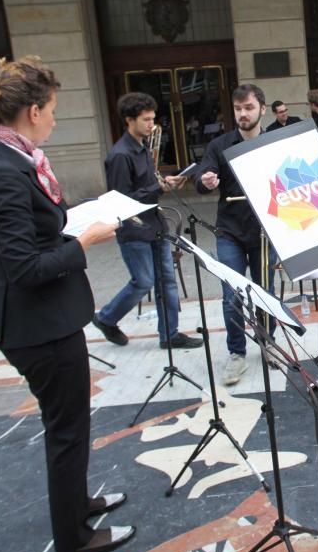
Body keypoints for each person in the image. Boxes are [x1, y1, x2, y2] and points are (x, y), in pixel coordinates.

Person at [0, 56, 134, 552]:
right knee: (67, 432)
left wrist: (72, 226)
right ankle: (75, 540)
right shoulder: (2, 172)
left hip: (48, 319)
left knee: (71, 424)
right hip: (37, 326)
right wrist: (84, 241)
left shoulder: (14, 159)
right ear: (33, 111)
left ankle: (78, 505)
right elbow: (24, 267)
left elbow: (36, 233)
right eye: (54, 110)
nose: (57, 120)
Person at [92, 92, 203, 350]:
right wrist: (158, 189)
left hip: (155, 225)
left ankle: (170, 333)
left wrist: (165, 182)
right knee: (143, 281)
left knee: (166, 280)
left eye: (153, 119)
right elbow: (120, 199)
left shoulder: (142, 148)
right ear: (129, 120)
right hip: (134, 228)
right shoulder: (120, 155)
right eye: (146, 119)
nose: (151, 125)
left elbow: (147, 183)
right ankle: (106, 318)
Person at [196, 84, 276, 386]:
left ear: (262, 109)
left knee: (265, 292)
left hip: (265, 232)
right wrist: (206, 181)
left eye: (249, 108)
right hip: (229, 230)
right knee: (231, 295)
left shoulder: (273, 141)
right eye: (238, 109)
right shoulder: (220, 145)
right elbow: (202, 180)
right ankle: (237, 353)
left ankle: (268, 343)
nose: (243, 114)